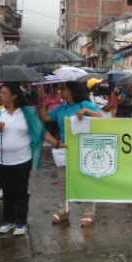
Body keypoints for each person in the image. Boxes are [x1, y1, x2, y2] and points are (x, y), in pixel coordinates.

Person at [0, 83, 60, 236]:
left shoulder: (28, 112)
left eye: (3, 93)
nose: (0, 95)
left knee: (20, 192)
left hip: (23, 160)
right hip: (2, 161)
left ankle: (21, 222)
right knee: (7, 191)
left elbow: (41, 132)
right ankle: (8, 221)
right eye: (0, 92)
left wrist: (57, 143)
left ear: (14, 96)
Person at [40, 81, 102, 227]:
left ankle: (89, 213)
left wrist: (88, 113)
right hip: (65, 149)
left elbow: (101, 118)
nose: (61, 92)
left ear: (72, 90)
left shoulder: (86, 104)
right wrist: (42, 106)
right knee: (64, 182)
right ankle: (64, 211)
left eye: (64, 89)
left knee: (87, 181)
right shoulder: (62, 108)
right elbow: (47, 118)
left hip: (85, 150)